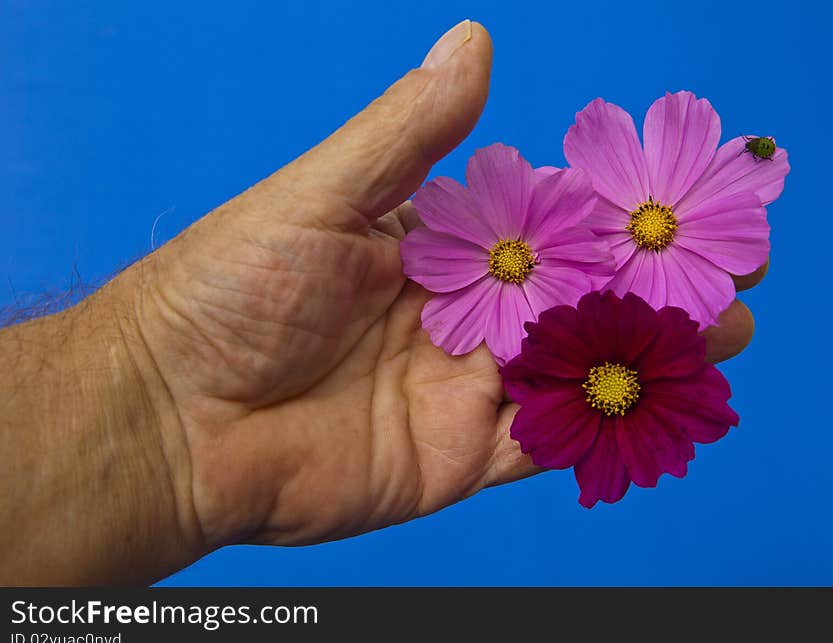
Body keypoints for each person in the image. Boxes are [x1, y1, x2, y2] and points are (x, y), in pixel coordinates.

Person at [0, 21, 766, 585]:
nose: (647, 223)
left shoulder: (598, 272)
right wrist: (149, 381)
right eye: (644, 217)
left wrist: (155, 408)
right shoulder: (512, 264)